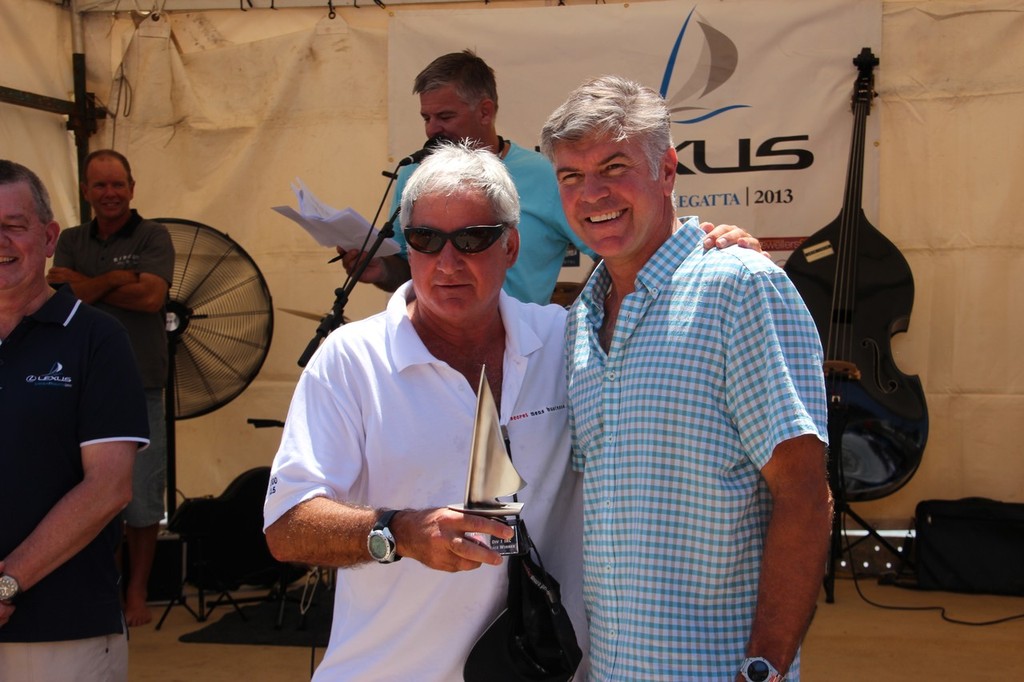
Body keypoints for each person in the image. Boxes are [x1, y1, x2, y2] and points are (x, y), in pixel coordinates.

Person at [539, 76, 833, 682]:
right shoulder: (579, 322)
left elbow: (804, 496)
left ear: (667, 170)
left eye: (614, 167)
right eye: (571, 176)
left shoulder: (738, 289)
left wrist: (767, 667)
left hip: (714, 668)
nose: (592, 194)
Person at [264, 142, 587, 680]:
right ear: (406, 247)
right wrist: (400, 533)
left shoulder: (563, 341)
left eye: (472, 239)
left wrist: (708, 247)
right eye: (426, 239)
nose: (448, 262)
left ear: (511, 245)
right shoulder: (351, 360)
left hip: (541, 666)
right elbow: (286, 526)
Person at [0, 159, 149, 680]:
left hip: (63, 631)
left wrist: (7, 583)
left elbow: (109, 487)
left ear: (48, 238)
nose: (0, 242)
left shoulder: (95, 339)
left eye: (13, 227)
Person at [336, 48, 596, 306]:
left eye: (445, 116)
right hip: (429, 342)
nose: (432, 129)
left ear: (485, 111)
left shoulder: (544, 175)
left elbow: (608, 253)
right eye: (426, 118)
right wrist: (379, 268)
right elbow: (407, 268)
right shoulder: (413, 175)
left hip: (521, 343)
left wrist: (574, 317)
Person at [46, 149, 174, 627]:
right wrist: (118, 277)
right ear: (86, 191)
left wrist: (88, 283)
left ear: (132, 187)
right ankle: (105, 590)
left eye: (117, 184)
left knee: (141, 497)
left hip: (141, 383)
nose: (110, 193)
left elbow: (152, 297)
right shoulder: (72, 239)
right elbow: (61, 295)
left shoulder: (153, 235)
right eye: (99, 185)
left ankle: (137, 594)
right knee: (85, 496)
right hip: (73, 386)